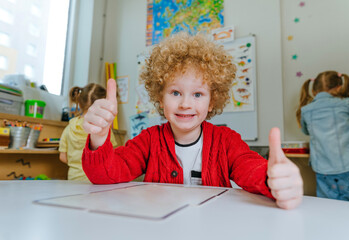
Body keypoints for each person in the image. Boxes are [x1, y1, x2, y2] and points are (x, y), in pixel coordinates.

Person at [82, 32, 303, 209]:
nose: (185, 104)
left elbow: (250, 168)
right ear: (160, 97)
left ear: (212, 101)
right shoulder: (148, 140)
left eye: (197, 95)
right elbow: (106, 176)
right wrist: (99, 138)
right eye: (175, 92)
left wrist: (272, 179)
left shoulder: (226, 141)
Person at [296, 70, 349, 202]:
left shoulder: (306, 110)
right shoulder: (345, 103)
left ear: (314, 91)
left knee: (327, 206)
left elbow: (306, 132)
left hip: (323, 168)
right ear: (339, 87)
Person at [59, 83, 117, 181]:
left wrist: (77, 164)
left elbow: (63, 157)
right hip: (96, 180)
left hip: (73, 179)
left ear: (80, 102)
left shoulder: (69, 127)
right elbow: (114, 155)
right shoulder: (104, 129)